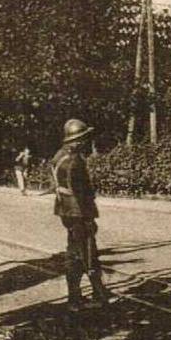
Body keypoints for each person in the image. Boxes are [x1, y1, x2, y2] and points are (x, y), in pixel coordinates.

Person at [52, 119, 111, 311]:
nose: (85, 142)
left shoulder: (58, 156)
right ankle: (97, 295)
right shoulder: (74, 161)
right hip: (79, 212)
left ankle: (75, 297)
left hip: (66, 210)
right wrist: (89, 218)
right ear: (76, 140)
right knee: (87, 252)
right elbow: (81, 193)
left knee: (74, 252)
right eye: (84, 138)